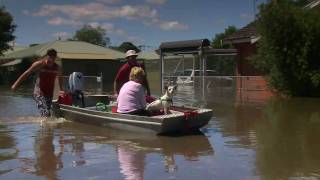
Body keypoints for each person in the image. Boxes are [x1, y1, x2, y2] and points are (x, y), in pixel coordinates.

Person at [11, 48, 63, 117]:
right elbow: (27, 73)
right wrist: (15, 84)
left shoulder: (57, 67)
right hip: (39, 92)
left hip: (49, 94)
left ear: (56, 57)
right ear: (47, 56)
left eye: (53, 55)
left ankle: (44, 127)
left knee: (49, 114)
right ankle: (44, 126)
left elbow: (60, 77)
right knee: (45, 113)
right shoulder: (40, 64)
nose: (52, 57)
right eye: (50, 55)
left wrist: (61, 90)